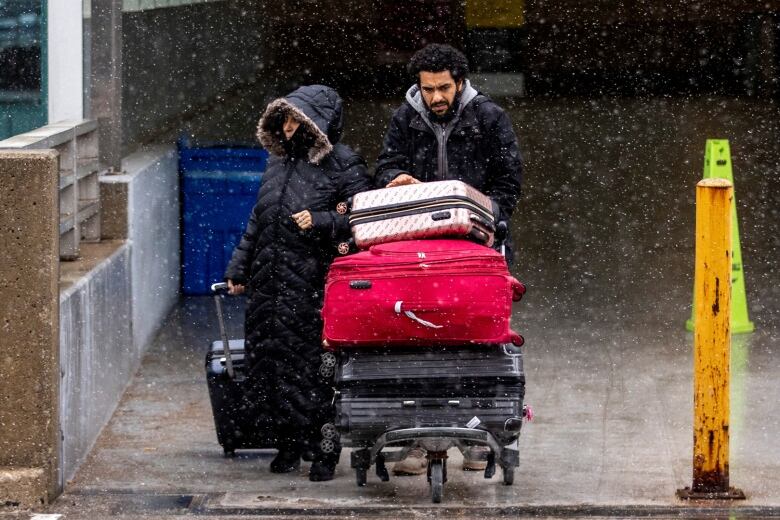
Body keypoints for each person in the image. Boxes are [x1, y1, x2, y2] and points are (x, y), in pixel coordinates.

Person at [375, 43, 523, 475]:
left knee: (478, 343)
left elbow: (509, 184)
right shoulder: (404, 118)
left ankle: (477, 438)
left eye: (443, 88)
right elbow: (385, 167)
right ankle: (419, 442)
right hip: (418, 253)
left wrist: (478, 216)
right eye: (428, 89)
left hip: (476, 250)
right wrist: (393, 180)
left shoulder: (490, 118)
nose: (436, 97)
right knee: (417, 341)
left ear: (460, 83)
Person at [224, 85, 372, 482]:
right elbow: (260, 220)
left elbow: (366, 221)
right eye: (285, 121)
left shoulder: (343, 163)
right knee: (271, 368)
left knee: (318, 375)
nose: (289, 129)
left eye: (297, 121)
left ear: (317, 124)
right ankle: (288, 444)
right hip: (270, 290)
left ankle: (324, 451)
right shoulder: (276, 164)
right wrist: (239, 269)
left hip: (317, 290)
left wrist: (323, 221)